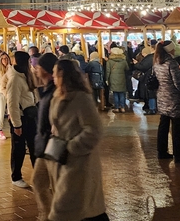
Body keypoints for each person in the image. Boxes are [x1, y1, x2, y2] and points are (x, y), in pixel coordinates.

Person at [47, 59, 109, 221]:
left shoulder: (81, 98)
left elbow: (94, 129)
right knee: (84, 209)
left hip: (79, 163)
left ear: (63, 75)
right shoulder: (57, 96)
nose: (53, 76)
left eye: (55, 73)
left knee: (66, 208)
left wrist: (72, 147)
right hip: (62, 159)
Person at [153, 41, 180, 163]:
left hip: (162, 97)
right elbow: (178, 82)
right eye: (173, 49)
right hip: (174, 98)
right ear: (169, 50)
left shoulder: (157, 62)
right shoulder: (171, 63)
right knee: (177, 127)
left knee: (163, 125)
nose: (175, 50)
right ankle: (178, 154)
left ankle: (162, 152)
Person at [31, 53, 57, 220]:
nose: (35, 69)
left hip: (53, 145)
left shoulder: (55, 91)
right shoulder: (47, 88)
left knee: (48, 183)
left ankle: (51, 216)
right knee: (39, 182)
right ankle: (47, 215)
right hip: (45, 144)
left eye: (38, 67)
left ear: (46, 70)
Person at [6, 51, 38, 188]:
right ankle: (16, 176)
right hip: (20, 118)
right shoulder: (15, 79)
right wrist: (16, 125)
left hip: (30, 116)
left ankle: (39, 177)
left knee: (34, 147)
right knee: (18, 149)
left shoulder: (26, 76)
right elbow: (12, 104)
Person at [132, 47, 157, 114]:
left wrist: (136, 64)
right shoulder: (153, 57)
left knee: (150, 94)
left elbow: (143, 67)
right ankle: (151, 108)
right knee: (150, 93)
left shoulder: (149, 58)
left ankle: (152, 109)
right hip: (151, 77)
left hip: (148, 78)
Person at [105, 46, 128, 113]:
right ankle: (123, 108)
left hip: (113, 78)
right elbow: (127, 69)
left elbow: (108, 71)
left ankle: (117, 108)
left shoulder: (109, 61)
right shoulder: (124, 61)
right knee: (122, 93)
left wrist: (107, 79)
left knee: (115, 93)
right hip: (122, 78)